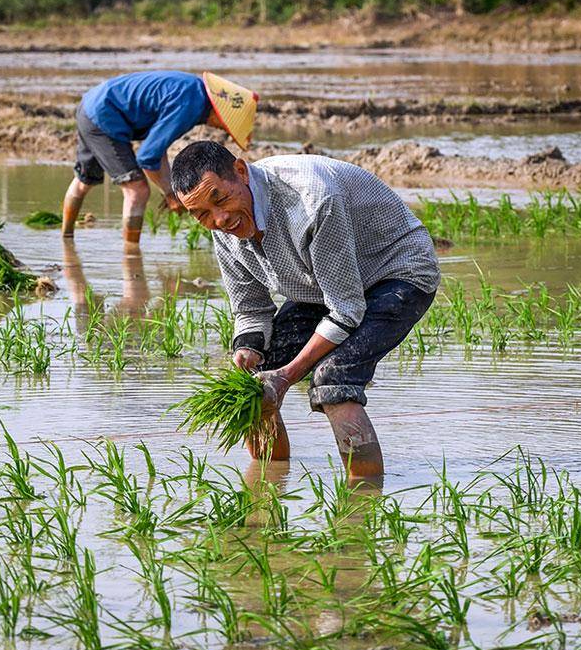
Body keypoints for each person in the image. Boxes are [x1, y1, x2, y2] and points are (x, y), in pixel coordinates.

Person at [171, 141, 441, 479]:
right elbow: (251, 308)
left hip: (395, 272)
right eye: (202, 215)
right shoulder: (223, 227)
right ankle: (267, 487)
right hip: (322, 283)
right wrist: (247, 350)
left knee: (333, 379)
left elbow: (346, 309)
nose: (220, 219)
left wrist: (286, 376)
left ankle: (363, 504)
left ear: (240, 172)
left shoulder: (312, 198)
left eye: (221, 199)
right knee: (255, 381)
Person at [61, 71, 258, 249]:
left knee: (83, 181)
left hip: (90, 106)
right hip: (105, 117)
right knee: (137, 189)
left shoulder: (193, 90)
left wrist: (169, 190)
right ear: (220, 114)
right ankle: (131, 255)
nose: (220, 129)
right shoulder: (191, 105)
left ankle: (66, 238)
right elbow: (147, 157)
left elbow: (157, 147)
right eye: (224, 125)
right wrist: (170, 195)